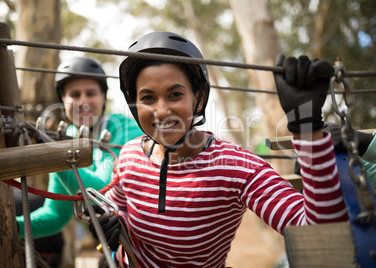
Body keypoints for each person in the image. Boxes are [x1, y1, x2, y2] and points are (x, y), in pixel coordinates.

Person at [88, 32, 348, 267]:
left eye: (175, 94)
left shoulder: (237, 167)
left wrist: (307, 125)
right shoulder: (129, 155)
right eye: (147, 98)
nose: (161, 110)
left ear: (198, 97)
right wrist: (109, 224)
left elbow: (320, 234)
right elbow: (117, 207)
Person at [15, 57, 144, 241]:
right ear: (63, 99)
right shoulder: (67, 135)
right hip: (117, 239)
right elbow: (56, 214)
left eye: (90, 93)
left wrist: (53, 154)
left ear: (103, 97)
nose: (83, 102)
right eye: (75, 95)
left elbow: (102, 194)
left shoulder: (123, 129)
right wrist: (12, 227)